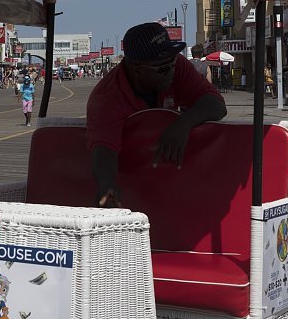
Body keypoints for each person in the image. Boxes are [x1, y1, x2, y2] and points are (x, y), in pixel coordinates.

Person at [87, 21, 227, 207]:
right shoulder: (107, 96)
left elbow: (216, 104)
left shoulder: (175, 65)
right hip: (132, 177)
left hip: (172, 176)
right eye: (162, 69)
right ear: (135, 68)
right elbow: (104, 150)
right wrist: (107, 184)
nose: (170, 72)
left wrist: (184, 123)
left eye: (172, 63)